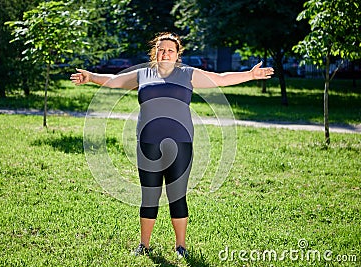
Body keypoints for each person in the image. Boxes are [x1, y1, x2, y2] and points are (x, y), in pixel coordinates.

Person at [70, 32, 274, 259]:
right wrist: (90, 77)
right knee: (149, 195)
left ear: (177, 55)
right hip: (148, 144)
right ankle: (144, 245)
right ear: (155, 51)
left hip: (181, 145)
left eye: (170, 50)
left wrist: (250, 75)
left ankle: (180, 246)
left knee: (177, 196)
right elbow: (113, 81)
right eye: (161, 49)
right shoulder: (142, 74)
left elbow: (221, 78)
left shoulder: (187, 74)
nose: (165, 53)